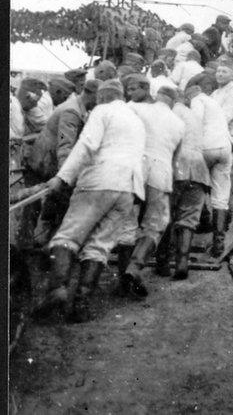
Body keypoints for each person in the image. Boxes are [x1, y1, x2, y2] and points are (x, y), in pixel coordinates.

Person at [40, 79, 146, 322]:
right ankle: (81, 305)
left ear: (101, 97)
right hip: (127, 188)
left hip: (99, 180)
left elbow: (86, 145)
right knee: (100, 245)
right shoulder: (135, 119)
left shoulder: (102, 111)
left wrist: (62, 177)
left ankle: (57, 290)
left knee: (67, 236)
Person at [121, 86, 185, 298]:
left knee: (128, 222)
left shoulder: (141, 109)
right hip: (161, 170)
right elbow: (175, 160)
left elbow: (123, 109)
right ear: (173, 103)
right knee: (156, 223)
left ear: (157, 97)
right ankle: (135, 267)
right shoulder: (178, 123)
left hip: (137, 167)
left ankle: (123, 277)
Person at [28, 80, 101, 246]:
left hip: (46, 163)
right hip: (45, 164)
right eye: (99, 98)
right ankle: (38, 247)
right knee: (46, 207)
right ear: (91, 94)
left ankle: (41, 243)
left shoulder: (76, 108)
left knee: (47, 207)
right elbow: (65, 146)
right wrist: (66, 177)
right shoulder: (71, 111)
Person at [157, 92, 211, 279]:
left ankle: (162, 263)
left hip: (176, 167)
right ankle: (182, 263)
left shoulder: (170, 114)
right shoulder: (194, 117)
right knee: (188, 219)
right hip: (199, 169)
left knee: (166, 216)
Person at [186, 85, 232, 258]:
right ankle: (219, 242)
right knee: (221, 194)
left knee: (196, 186)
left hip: (206, 146)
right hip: (224, 147)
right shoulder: (214, 102)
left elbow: (195, 122)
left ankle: (203, 220)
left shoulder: (197, 101)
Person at [211, 58, 233, 192]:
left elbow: (224, 118)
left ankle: (223, 208)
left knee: (221, 178)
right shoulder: (216, 93)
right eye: (218, 71)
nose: (220, 74)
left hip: (232, 139)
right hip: (220, 138)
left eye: (224, 72)